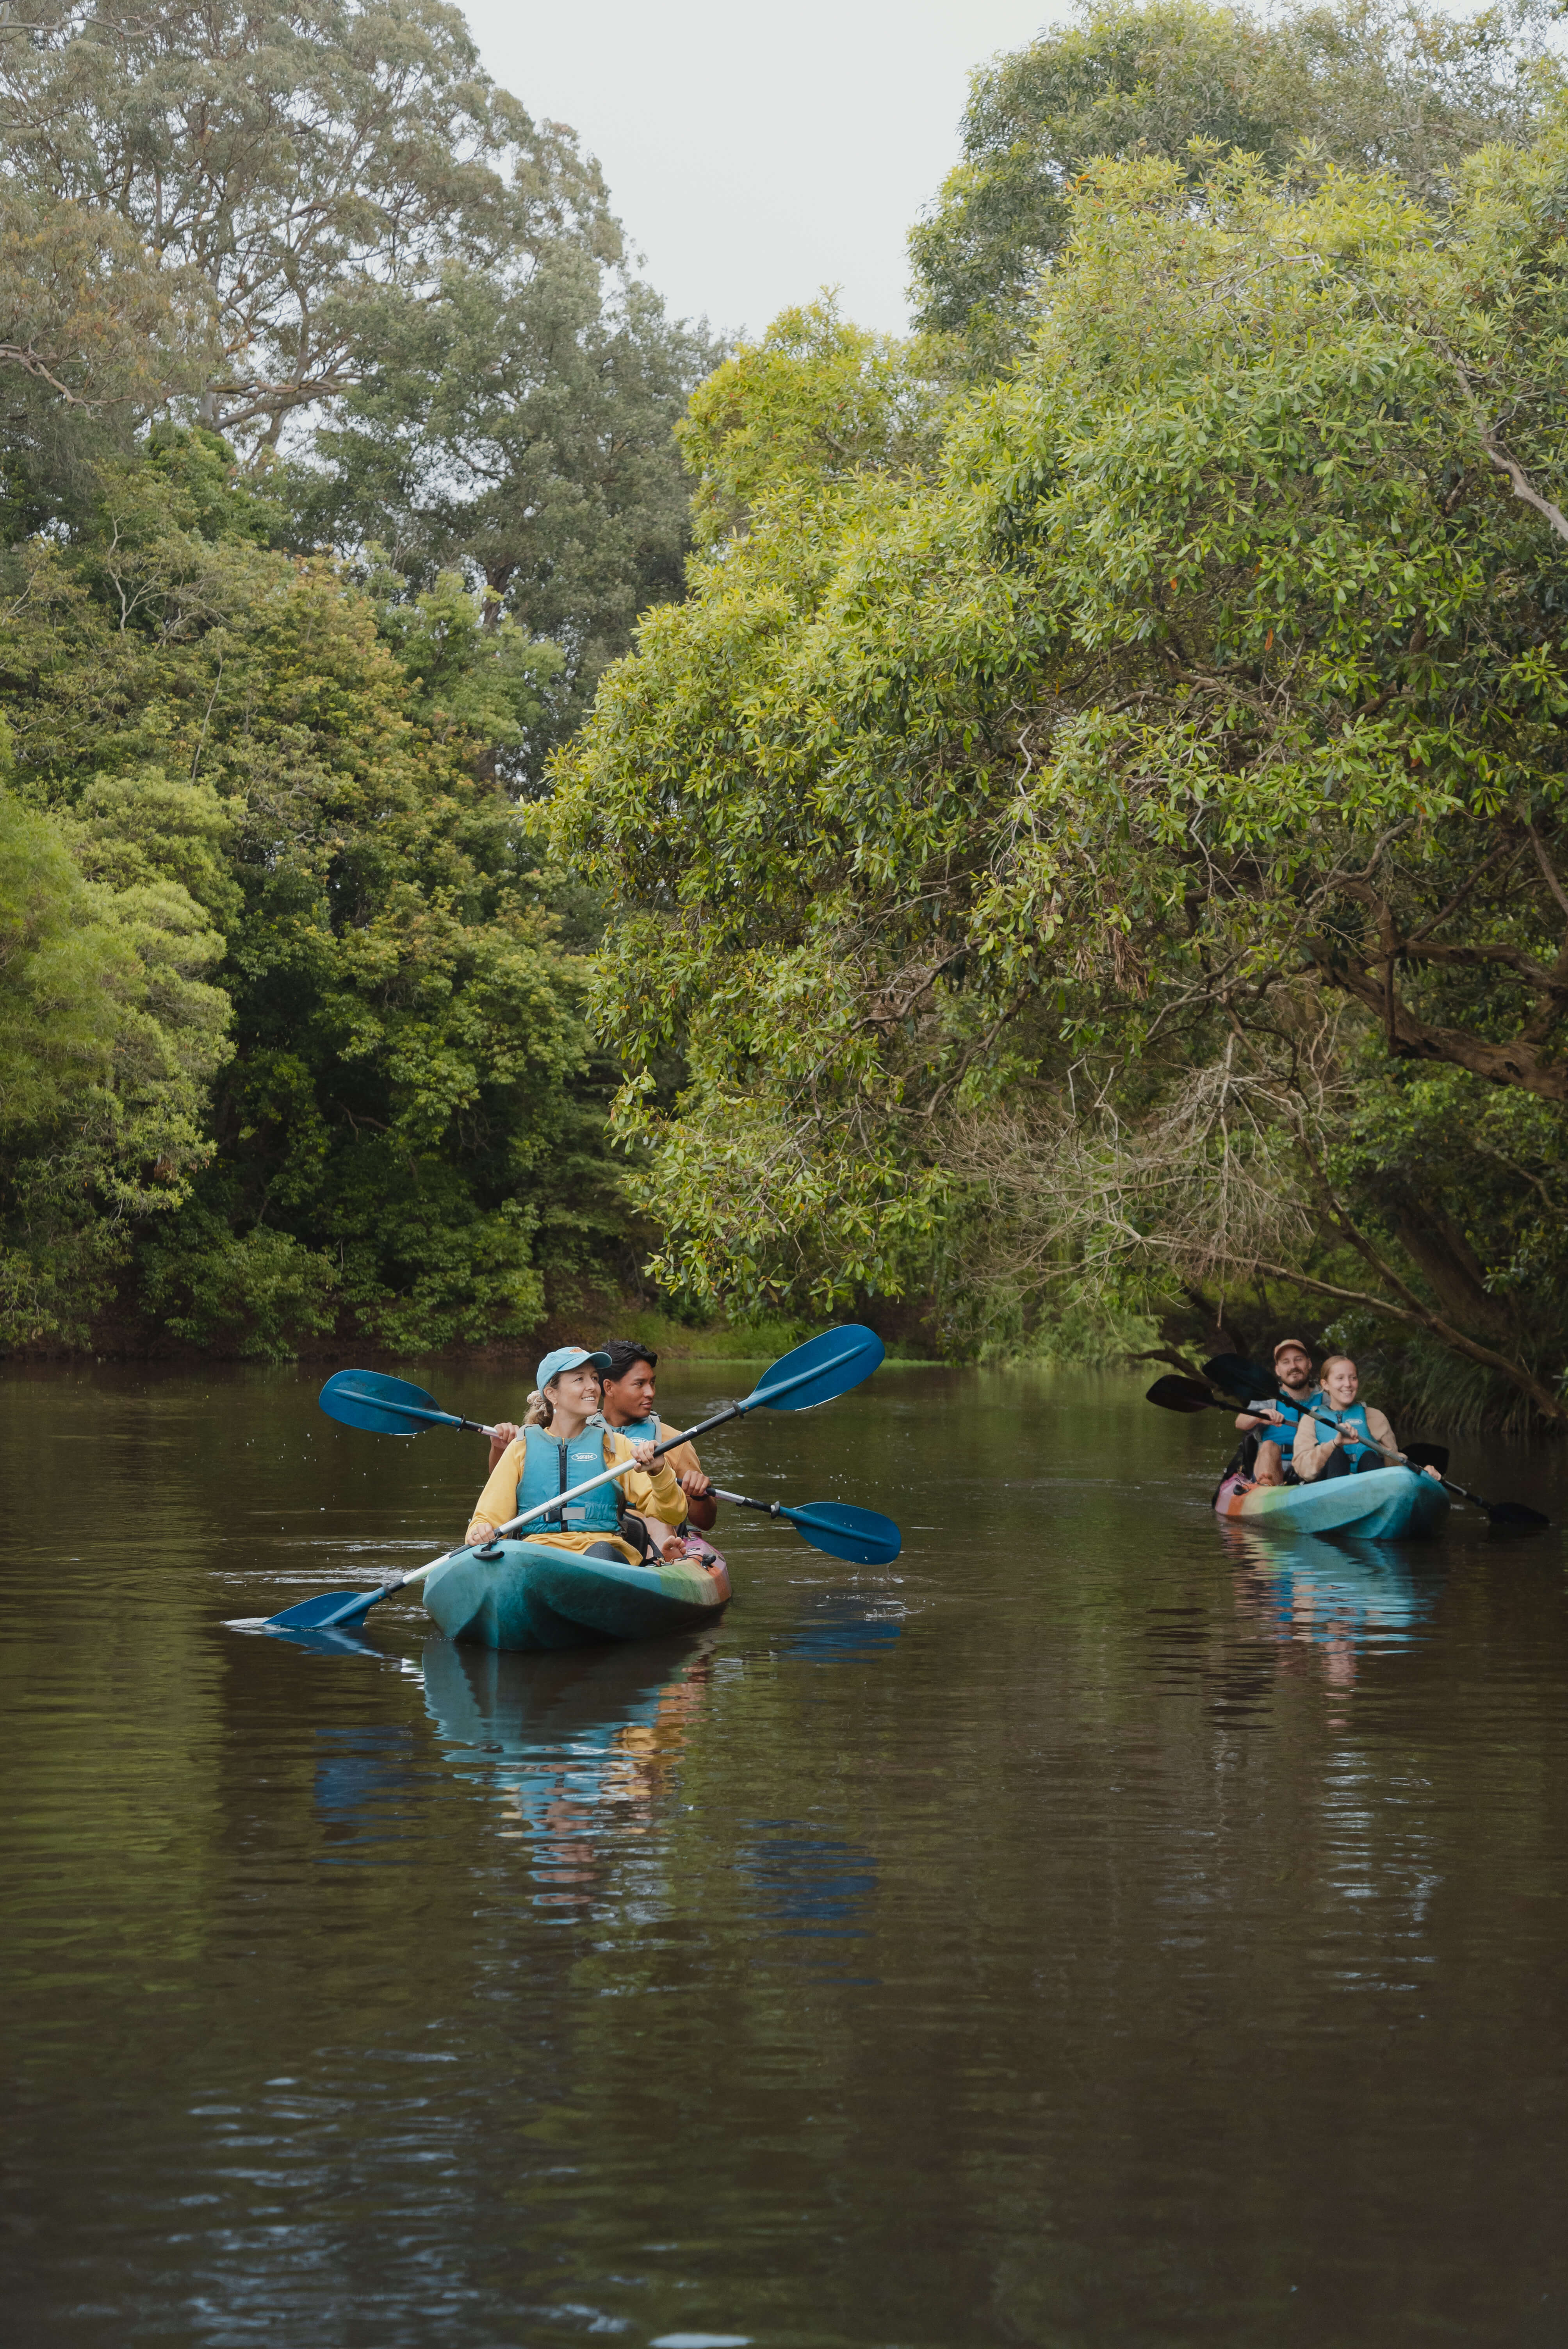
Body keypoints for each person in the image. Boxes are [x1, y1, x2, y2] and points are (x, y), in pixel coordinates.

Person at [464, 1346, 687, 1563]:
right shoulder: (521, 1448)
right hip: (536, 1554)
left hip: (601, 1555)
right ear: (552, 1394)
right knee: (518, 1559)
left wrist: (660, 1472)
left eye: (594, 1378)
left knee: (600, 1552)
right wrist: (479, 1531)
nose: (592, 1387)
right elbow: (487, 1518)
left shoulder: (615, 1445)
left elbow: (673, 1515)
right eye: (580, 1379)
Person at [1291, 1354, 1443, 1483]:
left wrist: (1424, 1472)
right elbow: (1304, 1470)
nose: (1348, 1384)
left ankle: (1378, 1503)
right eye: (1340, 1378)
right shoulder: (1310, 1419)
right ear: (1326, 1384)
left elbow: (1396, 1464)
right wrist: (1334, 1445)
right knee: (1337, 1456)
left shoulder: (1375, 1417)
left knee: (1370, 1456)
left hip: (1369, 1485)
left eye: (1353, 1378)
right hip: (1329, 1485)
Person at [1234, 1337, 1320, 1488]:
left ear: (1309, 1364)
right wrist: (1260, 1417)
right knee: (1268, 1446)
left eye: (1298, 1360)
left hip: (1314, 1466)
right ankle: (1267, 1488)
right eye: (1286, 1362)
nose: (1293, 1366)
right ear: (1278, 1370)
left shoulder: (1326, 1398)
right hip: (1275, 1466)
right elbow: (1240, 1423)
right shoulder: (1267, 1398)